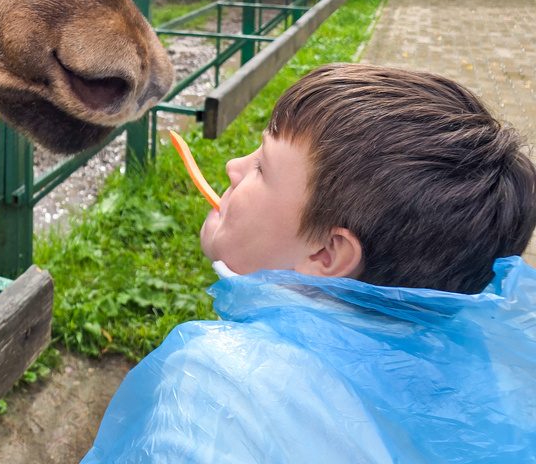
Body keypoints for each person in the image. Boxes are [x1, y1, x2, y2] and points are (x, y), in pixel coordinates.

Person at [81, 63, 536, 464]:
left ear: (326, 254)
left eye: (262, 168)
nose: (234, 167)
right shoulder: (479, 394)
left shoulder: (216, 393)